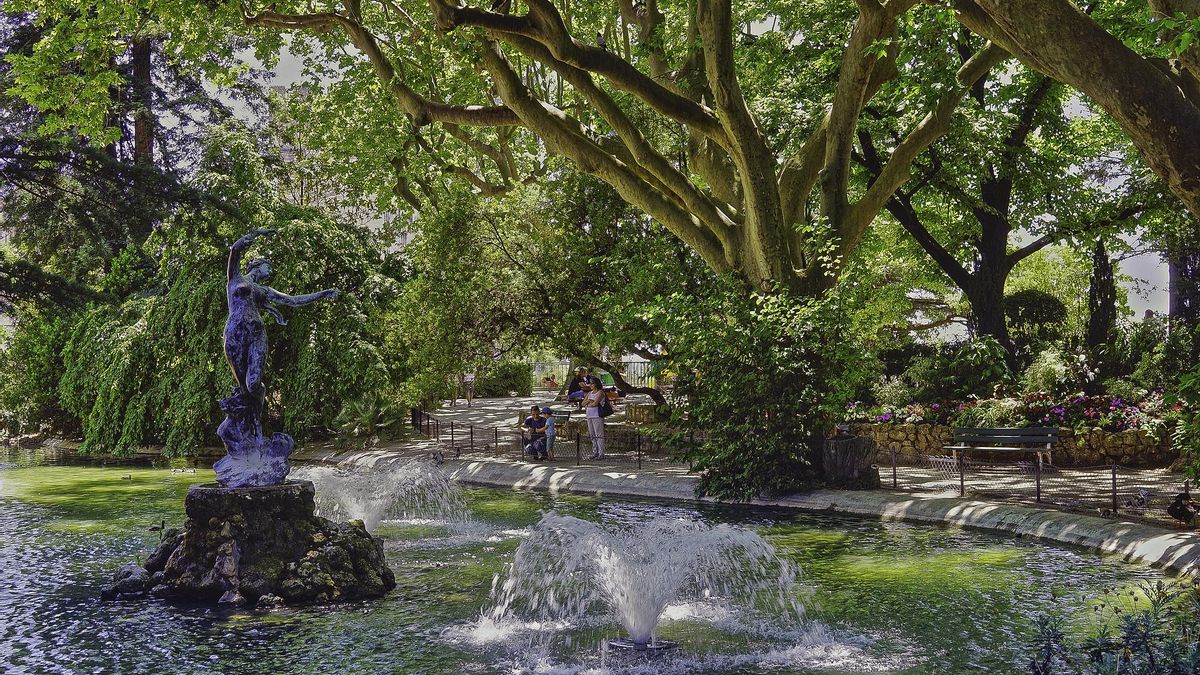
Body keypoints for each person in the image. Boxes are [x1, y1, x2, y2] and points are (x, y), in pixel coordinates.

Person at [584, 379, 606, 459]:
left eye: (592, 383)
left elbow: (595, 403)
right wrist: (589, 401)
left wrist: (589, 403)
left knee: (599, 434)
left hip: (597, 415)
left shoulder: (600, 392)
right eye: (590, 384)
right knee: (592, 434)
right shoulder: (590, 393)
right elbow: (583, 403)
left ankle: (601, 453)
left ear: (596, 384)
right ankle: (595, 452)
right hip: (589, 415)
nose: (590, 385)